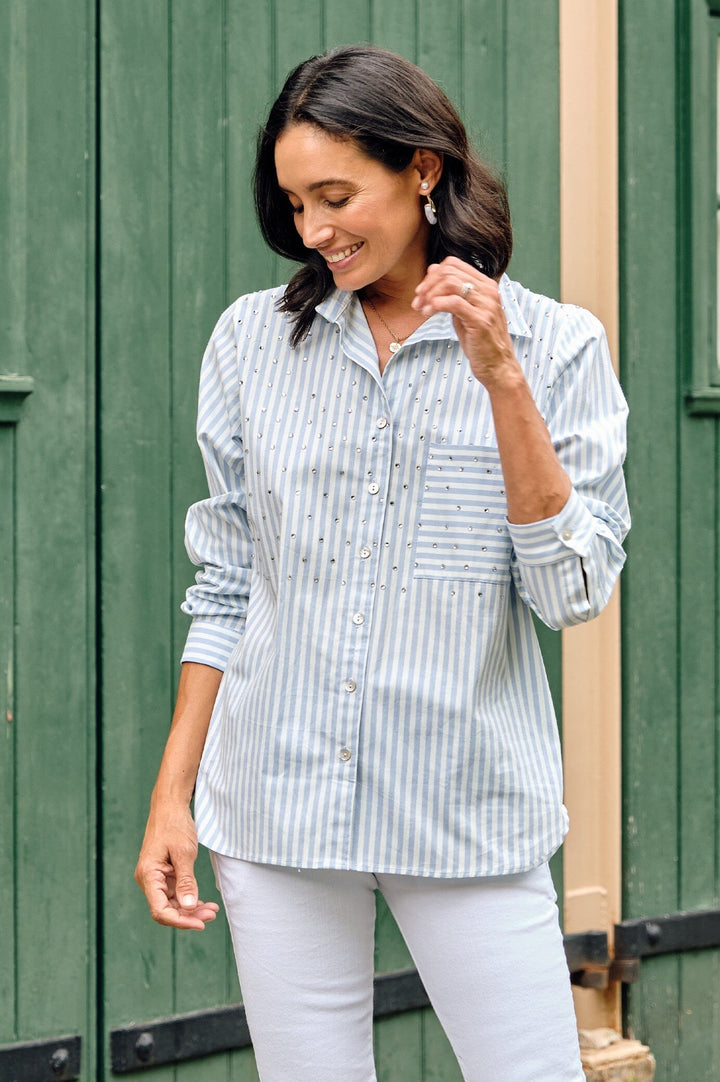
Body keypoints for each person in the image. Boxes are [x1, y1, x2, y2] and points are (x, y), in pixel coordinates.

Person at [135, 44, 629, 1082]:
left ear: (423, 169)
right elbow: (227, 582)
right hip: (273, 805)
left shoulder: (558, 345)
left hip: (465, 806)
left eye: (335, 195)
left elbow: (572, 589)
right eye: (294, 203)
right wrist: (173, 798)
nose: (313, 230)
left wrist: (501, 379)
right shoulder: (250, 344)